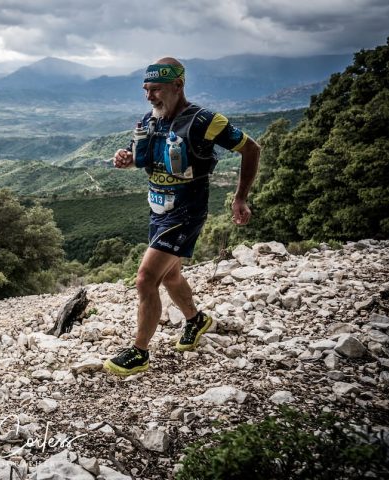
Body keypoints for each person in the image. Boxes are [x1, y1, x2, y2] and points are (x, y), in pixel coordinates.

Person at [103, 57, 260, 376]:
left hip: (186, 211)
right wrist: (126, 159)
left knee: (146, 279)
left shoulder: (205, 121)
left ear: (178, 85)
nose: (149, 96)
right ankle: (196, 320)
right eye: (146, 89)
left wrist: (240, 197)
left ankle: (139, 352)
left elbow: (251, 149)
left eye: (156, 90)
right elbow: (141, 158)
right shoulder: (150, 120)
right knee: (170, 276)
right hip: (157, 209)